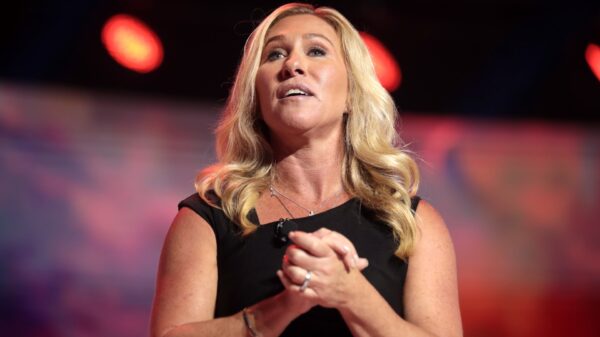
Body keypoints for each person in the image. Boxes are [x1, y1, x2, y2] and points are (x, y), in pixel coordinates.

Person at [150, 3, 462, 337]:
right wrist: (283, 306)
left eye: (316, 51)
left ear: (351, 96)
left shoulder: (411, 222)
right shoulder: (209, 218)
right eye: (274, 55)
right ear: (255, 98)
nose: (293, 65)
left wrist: (353, 295)